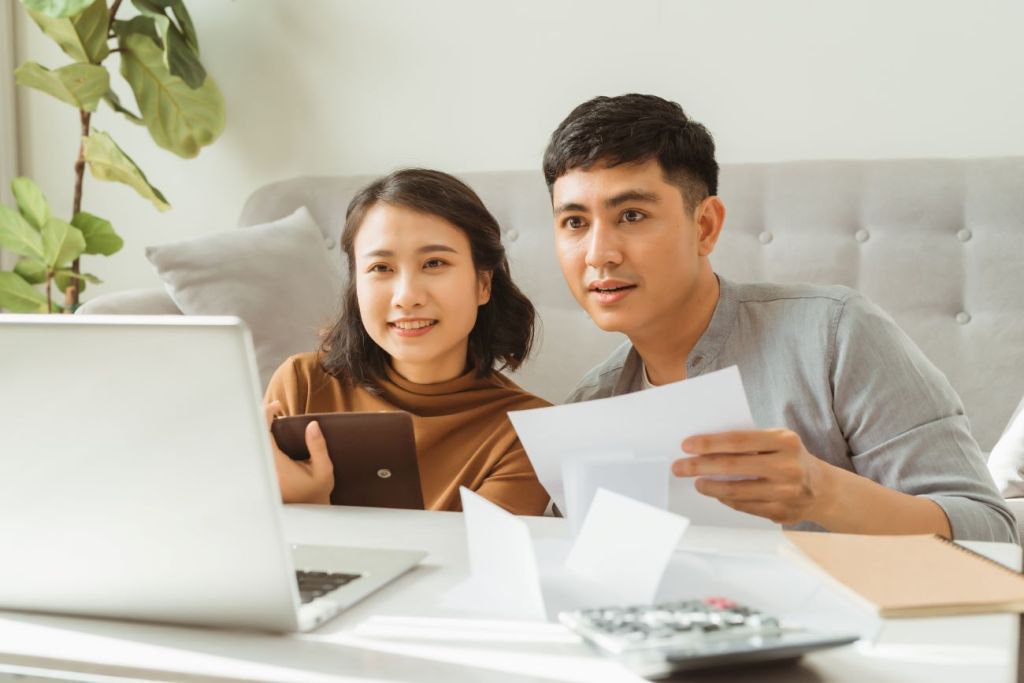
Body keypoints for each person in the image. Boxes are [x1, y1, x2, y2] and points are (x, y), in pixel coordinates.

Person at [543, 93, 1016, 542]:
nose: (598, 254)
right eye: (575, 222)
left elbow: (994, 533)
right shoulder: (588, 407)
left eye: (631, 215)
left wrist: (826, 493)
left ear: (704, 226)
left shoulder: (834, 333)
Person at [265, 168, 549, 515]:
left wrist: (312, 508)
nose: (407, 296)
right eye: (381, 268)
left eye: (434, 263)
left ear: (483, 284)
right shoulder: (301, 385)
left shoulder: (532, 432)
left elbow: (471, 565)